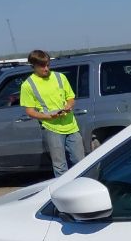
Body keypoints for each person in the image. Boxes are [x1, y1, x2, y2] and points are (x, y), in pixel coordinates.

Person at [19, 49, 84, 177]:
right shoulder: (28, 85)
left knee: (80, 162)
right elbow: (29, 111)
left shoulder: (60, 77)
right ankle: (63, 193)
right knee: (60, 166)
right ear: (33, 66)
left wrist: (68, 106)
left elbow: (70, 98)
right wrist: (47, 116)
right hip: (52, 128)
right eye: (42, 66)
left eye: (48, 65)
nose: (46, 68)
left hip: (71, 126)